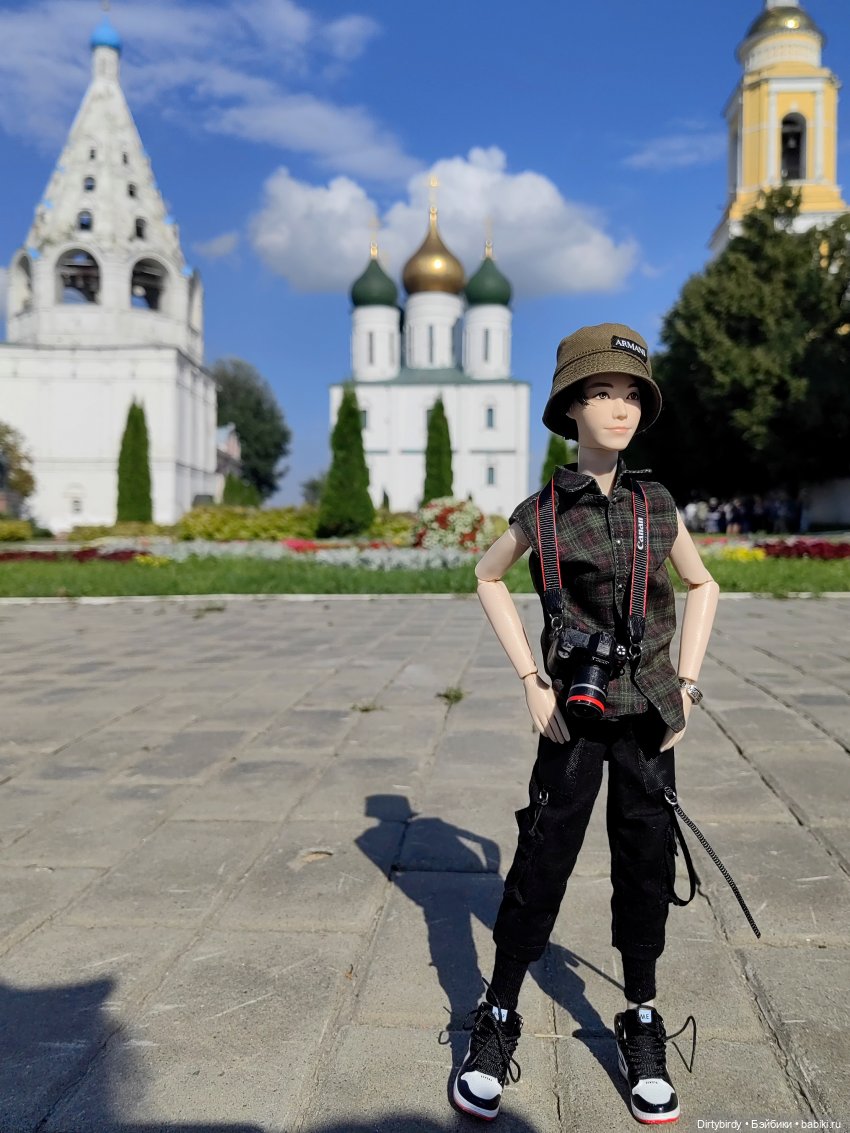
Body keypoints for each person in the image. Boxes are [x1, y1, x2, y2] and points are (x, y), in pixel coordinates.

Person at [454, 324, 719, 1125]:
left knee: (644, 860)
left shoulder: (657, 502)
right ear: (571, 407)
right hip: (575, 711)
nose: (620, 407)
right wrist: (532, 679)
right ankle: (498, 1012)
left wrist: (689, 684)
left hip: (649, 718)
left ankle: (640, 1012)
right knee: (543, 854)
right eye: (602, 392)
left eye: (632, 393)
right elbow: (486, 574)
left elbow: (704, 586)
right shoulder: (541, 512)